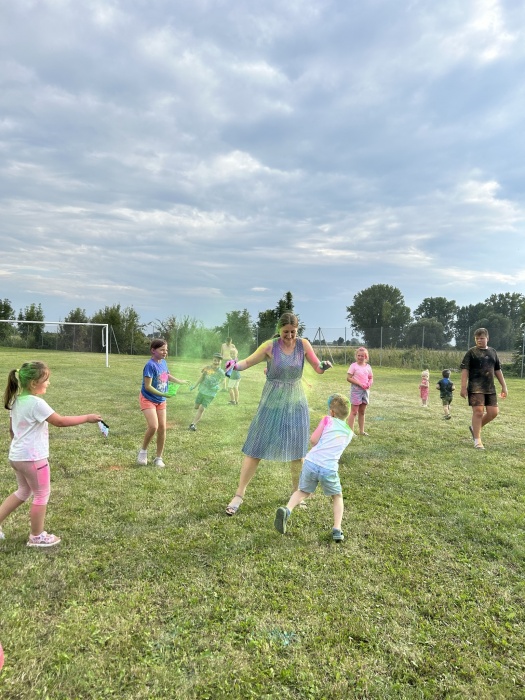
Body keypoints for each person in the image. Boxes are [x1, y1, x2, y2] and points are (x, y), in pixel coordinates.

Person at [225, 312, 332, 516]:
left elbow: (317, 367)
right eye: (285, 332)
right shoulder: (269, 346)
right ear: (279, 330)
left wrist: (323, 366)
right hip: (272, 401)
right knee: (256, 446)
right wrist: (233, 366)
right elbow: (246, 363)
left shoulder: (304, 345)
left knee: (297, 451)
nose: (290, 336)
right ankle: (238, 495)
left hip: (295, 400)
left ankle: (296, 494)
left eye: (293, 332)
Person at [0, 362, 101, 547]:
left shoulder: (17, 402)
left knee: (23, 491)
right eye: (46, 380)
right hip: (33, 459)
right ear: (33, 383)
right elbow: (60, 421)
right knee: (41, 494)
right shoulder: (37, 403)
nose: (49, 383)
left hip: (16, 456)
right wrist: (87, 418)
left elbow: (12, 431)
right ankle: (36, 536)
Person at [274, 393, 353, 542]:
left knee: (302, 491)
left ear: (332, 412)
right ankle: (337, 529)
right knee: (337, 497)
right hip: (329, 469)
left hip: (311, 462)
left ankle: (287, 509)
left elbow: (313, 440)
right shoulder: (349, 433)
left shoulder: (327, 420)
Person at [137, 338, 189, 467]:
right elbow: (148, 386)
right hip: (148, 398)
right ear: (153, 351)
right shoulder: (150, 365)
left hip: (161, 400)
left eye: (166, 350)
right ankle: (143, 452)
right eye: (162, 350)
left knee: (162, 428)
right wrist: (163, 394)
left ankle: (158, 458)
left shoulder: (163, 363)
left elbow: (166, 376)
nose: (165, 352)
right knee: (153, 426)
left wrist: (179, 381)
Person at [460, 328, 508, 450]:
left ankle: (474, 428)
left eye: (481, 338)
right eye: (477, 338)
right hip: (475, 387)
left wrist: (504, 386)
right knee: (479, 412)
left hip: (490, 388)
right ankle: (477, 440)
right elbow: (465, 370)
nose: (479, 340)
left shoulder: (493, 352)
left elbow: (497, 370)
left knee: (493, 412)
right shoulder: (471, 352)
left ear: (487, 338)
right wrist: (463, 387)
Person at [188, 353, 225, 431]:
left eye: (218, 361)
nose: (216, 362)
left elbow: (223, 380)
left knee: (201, 409)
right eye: (215, 360)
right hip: (202, 390)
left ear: (220, 362)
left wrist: (219, 387)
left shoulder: (221, 372)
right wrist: (194, 386)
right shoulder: (207, 368)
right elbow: (201, 377)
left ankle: (193, 424)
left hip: (211, 393)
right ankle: (197, 416)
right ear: (212, 360)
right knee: (196, 407)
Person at [346, 346, 373, 435]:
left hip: (365, 391)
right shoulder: (353, 366)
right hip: (356, 391)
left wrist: (369, 383)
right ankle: (351, 432)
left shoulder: (368, 367)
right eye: (359, 355)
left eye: (363, 356)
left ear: (366, 357)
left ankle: (362, 431)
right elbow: (349, 378)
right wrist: (359, 384)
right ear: (356, 356)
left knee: (362, 412)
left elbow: (371, 377)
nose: (361, 357)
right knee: (354, 412)